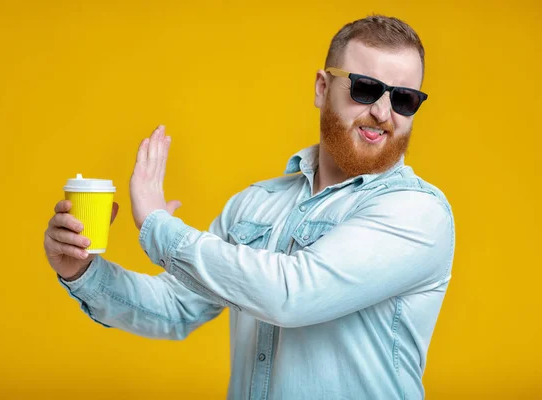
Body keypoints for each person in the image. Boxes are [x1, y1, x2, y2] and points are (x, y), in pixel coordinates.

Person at [44, 14, 455, 400]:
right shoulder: (256, 203)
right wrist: (81, 270)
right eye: (365, 88)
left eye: (404, 99)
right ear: (322, 88)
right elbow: (174, 308)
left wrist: (158, 226)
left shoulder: (417, 212)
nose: (382, 113)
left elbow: (291, 295)